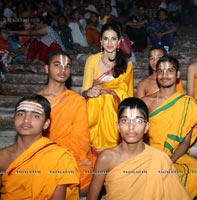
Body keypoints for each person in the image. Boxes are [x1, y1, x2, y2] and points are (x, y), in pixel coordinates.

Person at [87, 97, 191, 200]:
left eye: (138, 120)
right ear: (118, 126)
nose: (131, 126)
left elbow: (176, 195)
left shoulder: (160, 159)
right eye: (125, 120)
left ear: (146, 127)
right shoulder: (106, 159)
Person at [142, 55, 197, 199]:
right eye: (161, 71)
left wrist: (170, 160)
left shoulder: (187, 103)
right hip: (150, 154)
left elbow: (185, 142)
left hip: (176, 155)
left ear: (177, 74)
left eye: (169, 71)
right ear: (156, 74)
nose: (164, 75)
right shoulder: (146, 102)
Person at [37, 50, 96, 196]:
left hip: (71, 155)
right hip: (44, 154)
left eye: (67, 66)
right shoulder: (35, 101)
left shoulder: (76, 100)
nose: (63, 70)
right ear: (46, 68)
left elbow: (81, 137)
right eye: (57, 65)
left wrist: (79, 159)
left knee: (96, 171)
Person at [0, 94, 79, 199]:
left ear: (46, 124)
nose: (26, 120)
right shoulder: (2, 156)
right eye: (21, 114)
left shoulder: (58, 157)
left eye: (35, 116)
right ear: (14, 120)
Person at [82, 23, 134, 152]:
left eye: (113, 38)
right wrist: (90, 92)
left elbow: (128, 94)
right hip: (94, 107)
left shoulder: (127, 65)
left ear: (119, 41)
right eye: (105, 38)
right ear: (100, 41)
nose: (109, 42)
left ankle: (111, 143)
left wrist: (108, 92)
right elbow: (84, 91)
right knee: (97, 99)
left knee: (107, 99)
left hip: (115, 106)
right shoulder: (92, 60)